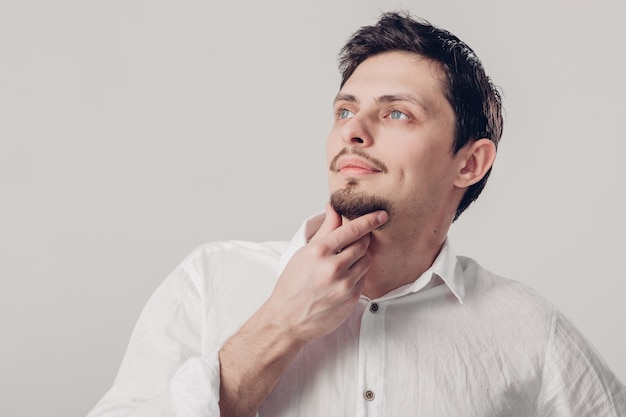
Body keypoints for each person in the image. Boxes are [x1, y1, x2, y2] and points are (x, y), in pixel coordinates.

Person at [88, 11, 626, 417]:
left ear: (470, 162)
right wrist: (279, 326)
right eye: (345, 110)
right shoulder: (208, 283)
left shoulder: (529, 328)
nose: (352, 129)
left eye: (396, 112)